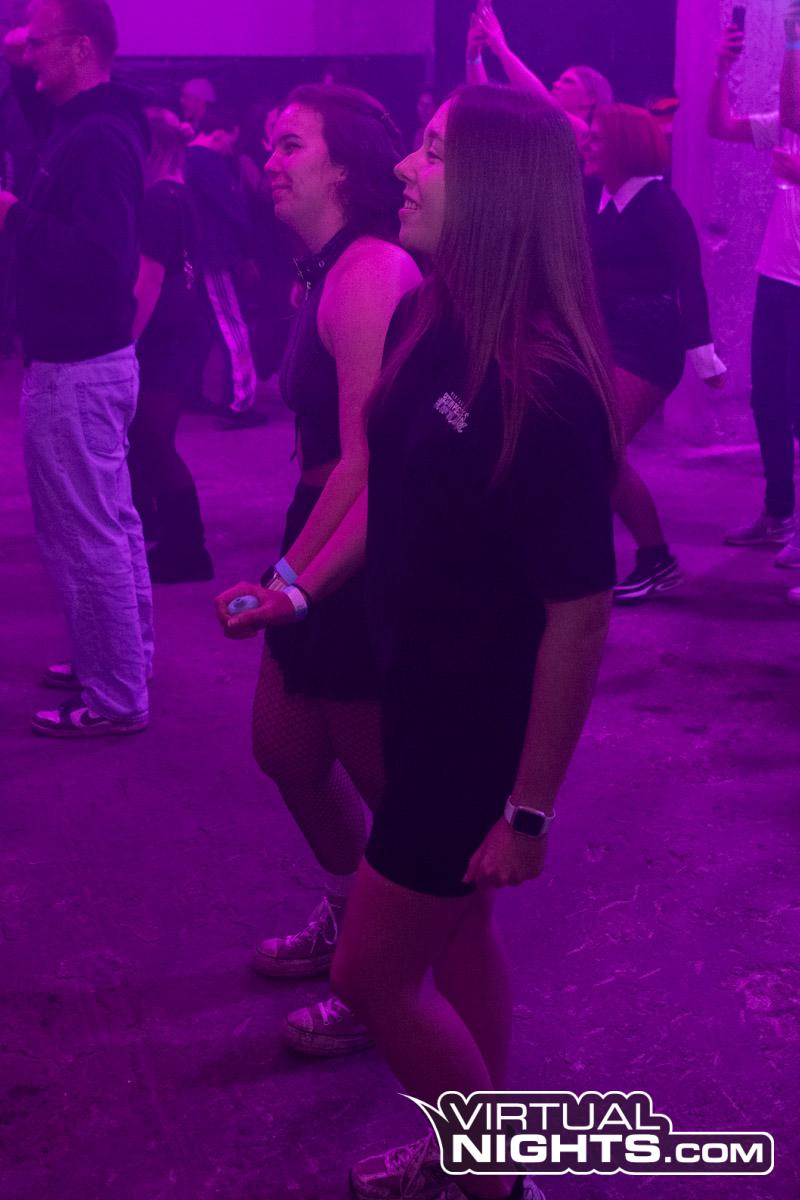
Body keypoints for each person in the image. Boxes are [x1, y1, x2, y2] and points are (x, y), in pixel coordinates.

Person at [217, 83, 618, 1200]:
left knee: (371, 976)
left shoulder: (545, 387)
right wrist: (298, 590)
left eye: (433, 152)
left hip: (468, 728)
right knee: (457, 935)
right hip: (410, 684)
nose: (403, 165)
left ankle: (494, 1181)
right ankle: (476, 1155)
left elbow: (580, 615)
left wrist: (528, 811)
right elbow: (382, 494)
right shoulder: (424, 318)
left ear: (495, 188)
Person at [221, 84, 421, 1056]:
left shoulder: (370, 270)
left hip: (364, 544)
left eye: (290, 144)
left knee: (391, 787)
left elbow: (365, 462)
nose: (271, 160)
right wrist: (289, 568)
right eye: (271, 143)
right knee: (286, 749)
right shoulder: (323, 273)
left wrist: (293, 579)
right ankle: (352, 919)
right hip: (319, 523)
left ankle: (390, 973)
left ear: (343, 167)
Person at [0, 0, 153, 737]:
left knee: (85, 536)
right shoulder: (96, 121)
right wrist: (22, 49)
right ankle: (124, 660)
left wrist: (11, 216)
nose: (27, 52)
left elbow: (99, 261)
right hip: (92, 363)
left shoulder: (95, 139)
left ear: (82, 48)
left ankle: (116, 694)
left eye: (39, 42)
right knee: (110, 525)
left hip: (77, 368)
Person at [584, 103, 726, 603]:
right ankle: (654, 561)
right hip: (604, 338)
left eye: (597, 138)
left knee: (596, 447)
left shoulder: (660, 203)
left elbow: (690, 279)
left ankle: (617, 566)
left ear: (624, 146)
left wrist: (704, 358)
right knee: (596, 448)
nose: (587, 145)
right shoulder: (599, 196)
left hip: (648, 343)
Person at [709, 7, 800, 560]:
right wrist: (722, 70)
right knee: (768, 398)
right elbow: (719, 126)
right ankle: (779, 512)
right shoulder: (787, 126)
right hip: (777, 275)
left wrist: (791, 37)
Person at [126, 107, 215, 583]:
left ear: (152, 149)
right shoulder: (180, 193)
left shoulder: (158, 198)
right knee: (150, 439)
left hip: (166, 336)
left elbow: (150, 279)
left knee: (154, 440)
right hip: (183, 329)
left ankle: (188, 549)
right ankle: (169, 536)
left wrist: (125, 341)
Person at [185, 106, 260, 423]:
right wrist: (248, 249)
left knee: (200, 326)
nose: (232, 148)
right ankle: (241, 403)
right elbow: (234, 209)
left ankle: (190, 392)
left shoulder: (183, 158)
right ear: (217, 135)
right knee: (233, 326)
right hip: (215, 256)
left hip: (194, 255)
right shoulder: (209, 162)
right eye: (230, 140)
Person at [466, 4, 612, 144]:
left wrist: (500, 46)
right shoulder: (537, 123)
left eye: (568, 81)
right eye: (560, 80)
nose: (555, 84)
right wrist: (474, 55)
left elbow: (543, 101)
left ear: (589, 99)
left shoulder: (584, 133)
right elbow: (483, 106)